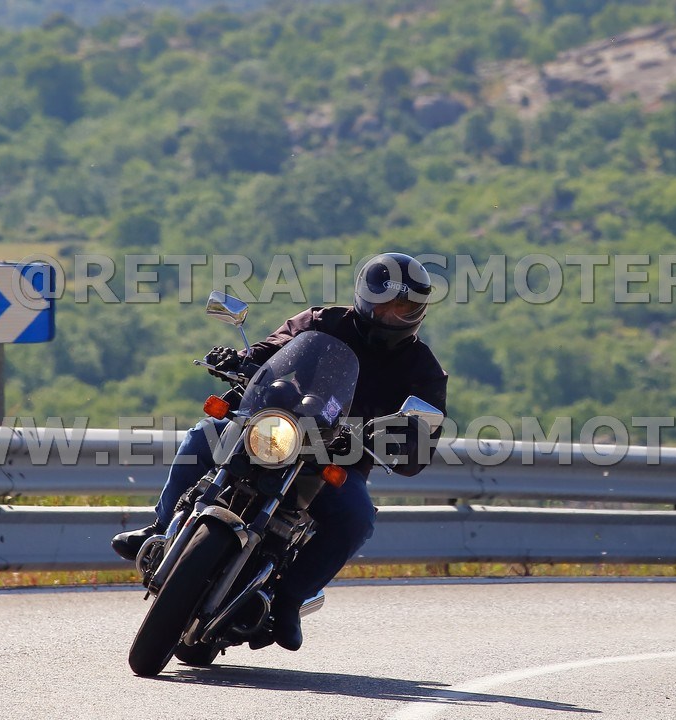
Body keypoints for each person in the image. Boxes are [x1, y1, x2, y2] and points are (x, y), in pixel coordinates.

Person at [112, 252, 448, 651]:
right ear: (364, 295)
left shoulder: (424, 370)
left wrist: (394, 440)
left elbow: (420, 442)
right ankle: (160, 527)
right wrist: (240, 359)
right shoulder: (323, 321)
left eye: (403, 307)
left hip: (336, 460)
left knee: (358, 517)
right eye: (385, 302)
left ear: (418, 310)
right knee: (204, 435)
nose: (391, 313)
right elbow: (275, 347)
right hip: (275, 430)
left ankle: (289, 600)